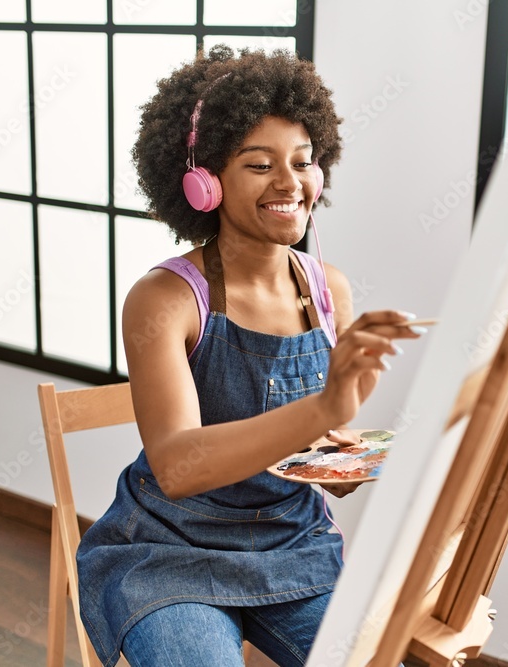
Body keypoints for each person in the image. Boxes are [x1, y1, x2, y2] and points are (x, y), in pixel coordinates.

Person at [76, 45, 423, 667]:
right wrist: (324, 407)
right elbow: (179, 466)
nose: (291, 184)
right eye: (260, 165)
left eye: (304, 162)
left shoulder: (326, 289)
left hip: (293, 544)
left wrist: (348, 456)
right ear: (204, 181)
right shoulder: (166, 300)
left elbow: (309, 441)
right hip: (169, 551)